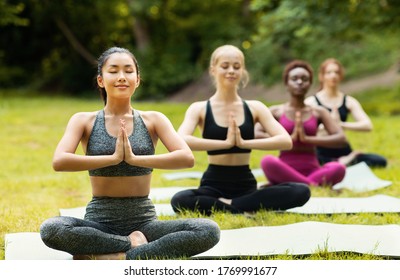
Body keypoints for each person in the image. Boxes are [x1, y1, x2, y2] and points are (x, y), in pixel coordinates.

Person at [40, 47, 220, 260]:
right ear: (100, 80)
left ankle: (118, 256)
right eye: (113, 71)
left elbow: (186, 157)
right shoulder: (84, 120)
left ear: (137, 79)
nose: (122, 77)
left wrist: (134, 159)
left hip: (145, 223)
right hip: (100, 221)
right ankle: (131, 245)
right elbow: (59, 161)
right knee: (51, 229)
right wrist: (113, 158)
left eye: (128, 71)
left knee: (208, 230)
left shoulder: (154, 119)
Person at [170, 45, 310, 216]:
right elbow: (181, 139)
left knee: (301, 191)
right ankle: (243, 207)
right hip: (213, 184)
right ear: (213, 69)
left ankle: (229, 205)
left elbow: (285, 141)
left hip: (245, 184)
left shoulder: (255, 107)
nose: (231, 71)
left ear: (242, 71)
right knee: (179, 200)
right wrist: (225, 143)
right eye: (225, 66)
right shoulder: (199, 108)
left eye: (236, 67)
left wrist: (244, 143)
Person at [257, 60, 347, 187]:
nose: (299, 82)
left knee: (339, 168)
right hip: (284, 168)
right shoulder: (276, 111)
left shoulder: (318, 112)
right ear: (286, 83)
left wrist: (308, 139)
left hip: (313, 170)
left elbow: (341, 138)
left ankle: (291, 183)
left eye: (304, 79)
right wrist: (287, 139)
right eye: (294, 79)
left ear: (310, 83)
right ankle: (312, 185)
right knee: (267, 162)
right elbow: (255, 134)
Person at [305, 58, 388, 168]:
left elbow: (367, 125)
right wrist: (327, 125)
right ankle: (339, 163)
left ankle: (341, 162)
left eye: (336, 72)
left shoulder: (349, 101)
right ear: (322, 76)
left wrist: (341, 125)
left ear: (341, 76)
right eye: (329, 72)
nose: (333, 75)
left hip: (343, 149)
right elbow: (304, 129)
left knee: (380, 161)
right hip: (321, 149)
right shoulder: (311, 102)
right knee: (309, 160)